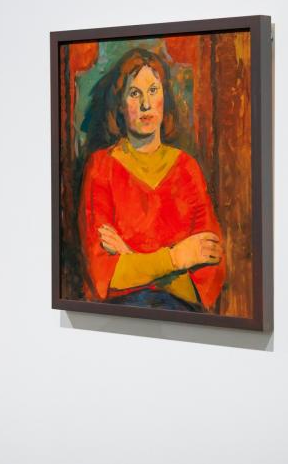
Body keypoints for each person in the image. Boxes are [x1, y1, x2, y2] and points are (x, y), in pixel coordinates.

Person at [78, 48, 225, 312]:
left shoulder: (186, 169)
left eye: (153, 91)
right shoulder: (102, 167)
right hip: (118, 319)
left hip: (185, 320)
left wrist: (132, 258)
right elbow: (104, 276)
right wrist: (176, 259)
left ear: (164, 99)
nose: (146, 104)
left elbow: (205, 286)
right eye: (135, 94)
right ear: (120, 106)